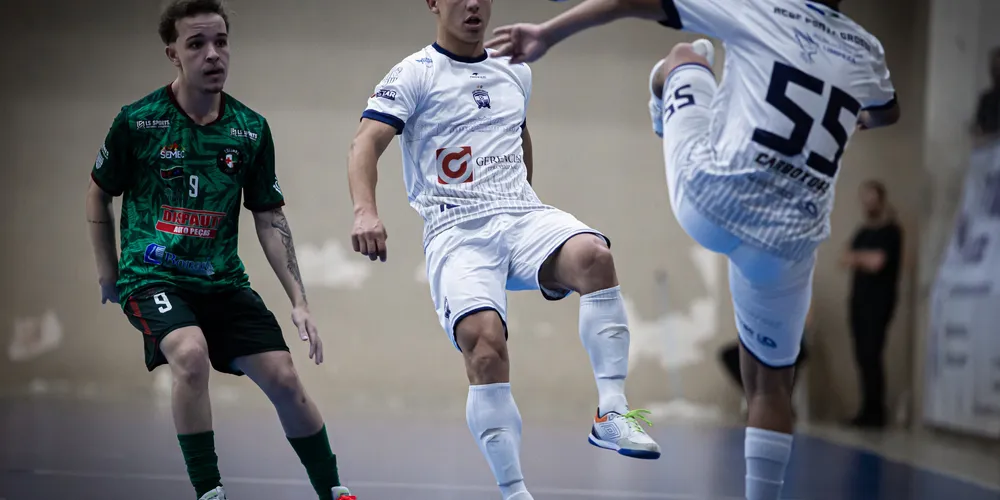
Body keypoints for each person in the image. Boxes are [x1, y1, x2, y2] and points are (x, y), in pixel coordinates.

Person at [485, 1, 900, 499]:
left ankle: (665, 103)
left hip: (712, 198)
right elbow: (887, 108)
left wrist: (549, 34)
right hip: (788, 239)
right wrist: (853, 113)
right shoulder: (866, 49)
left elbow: (634, 2)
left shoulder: (764, 10)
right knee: (771, 385)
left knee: (686, 53)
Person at [347, 1, 661, 498]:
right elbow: (365, 143)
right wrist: (366, 211)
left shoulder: (514, 69)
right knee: (485, 343)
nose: (473, 4)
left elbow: (518, 133)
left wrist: (529, 207)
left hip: (520, 215)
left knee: (594, 257)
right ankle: (515, 491)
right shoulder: (414, 73)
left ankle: (612, 412)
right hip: (457, 231)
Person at [85, 1, 354, 499]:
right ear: (173, 54)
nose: (213, 54)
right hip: (153, 276)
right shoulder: (139, 122)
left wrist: (299, 300)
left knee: (286, 380)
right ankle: (210, 492)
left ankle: (334, 490)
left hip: (223, 282)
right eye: (197, 44)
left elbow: (269, 216)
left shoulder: (250, 130)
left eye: (221, 42)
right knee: (190, 354)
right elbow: (99, 189)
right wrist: (109, 269)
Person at [840, 180, 902, 428]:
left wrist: (860, 258)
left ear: (881, 199)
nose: (868, 203)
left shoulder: (891, 232)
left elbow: (878, 262)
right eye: (864, 198)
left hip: (880, 303)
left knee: (872, 354)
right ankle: (866, 408)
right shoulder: (862, 232)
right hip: (859, 303)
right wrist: (862, 258)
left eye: (872, 197)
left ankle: (876, 412)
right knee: (861, 356)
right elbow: (844, 258)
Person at [972, 47, 1000, 143]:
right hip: (989, 151)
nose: (997, 73)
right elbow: (980, 126)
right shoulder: (986, 99)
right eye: (995, 68)